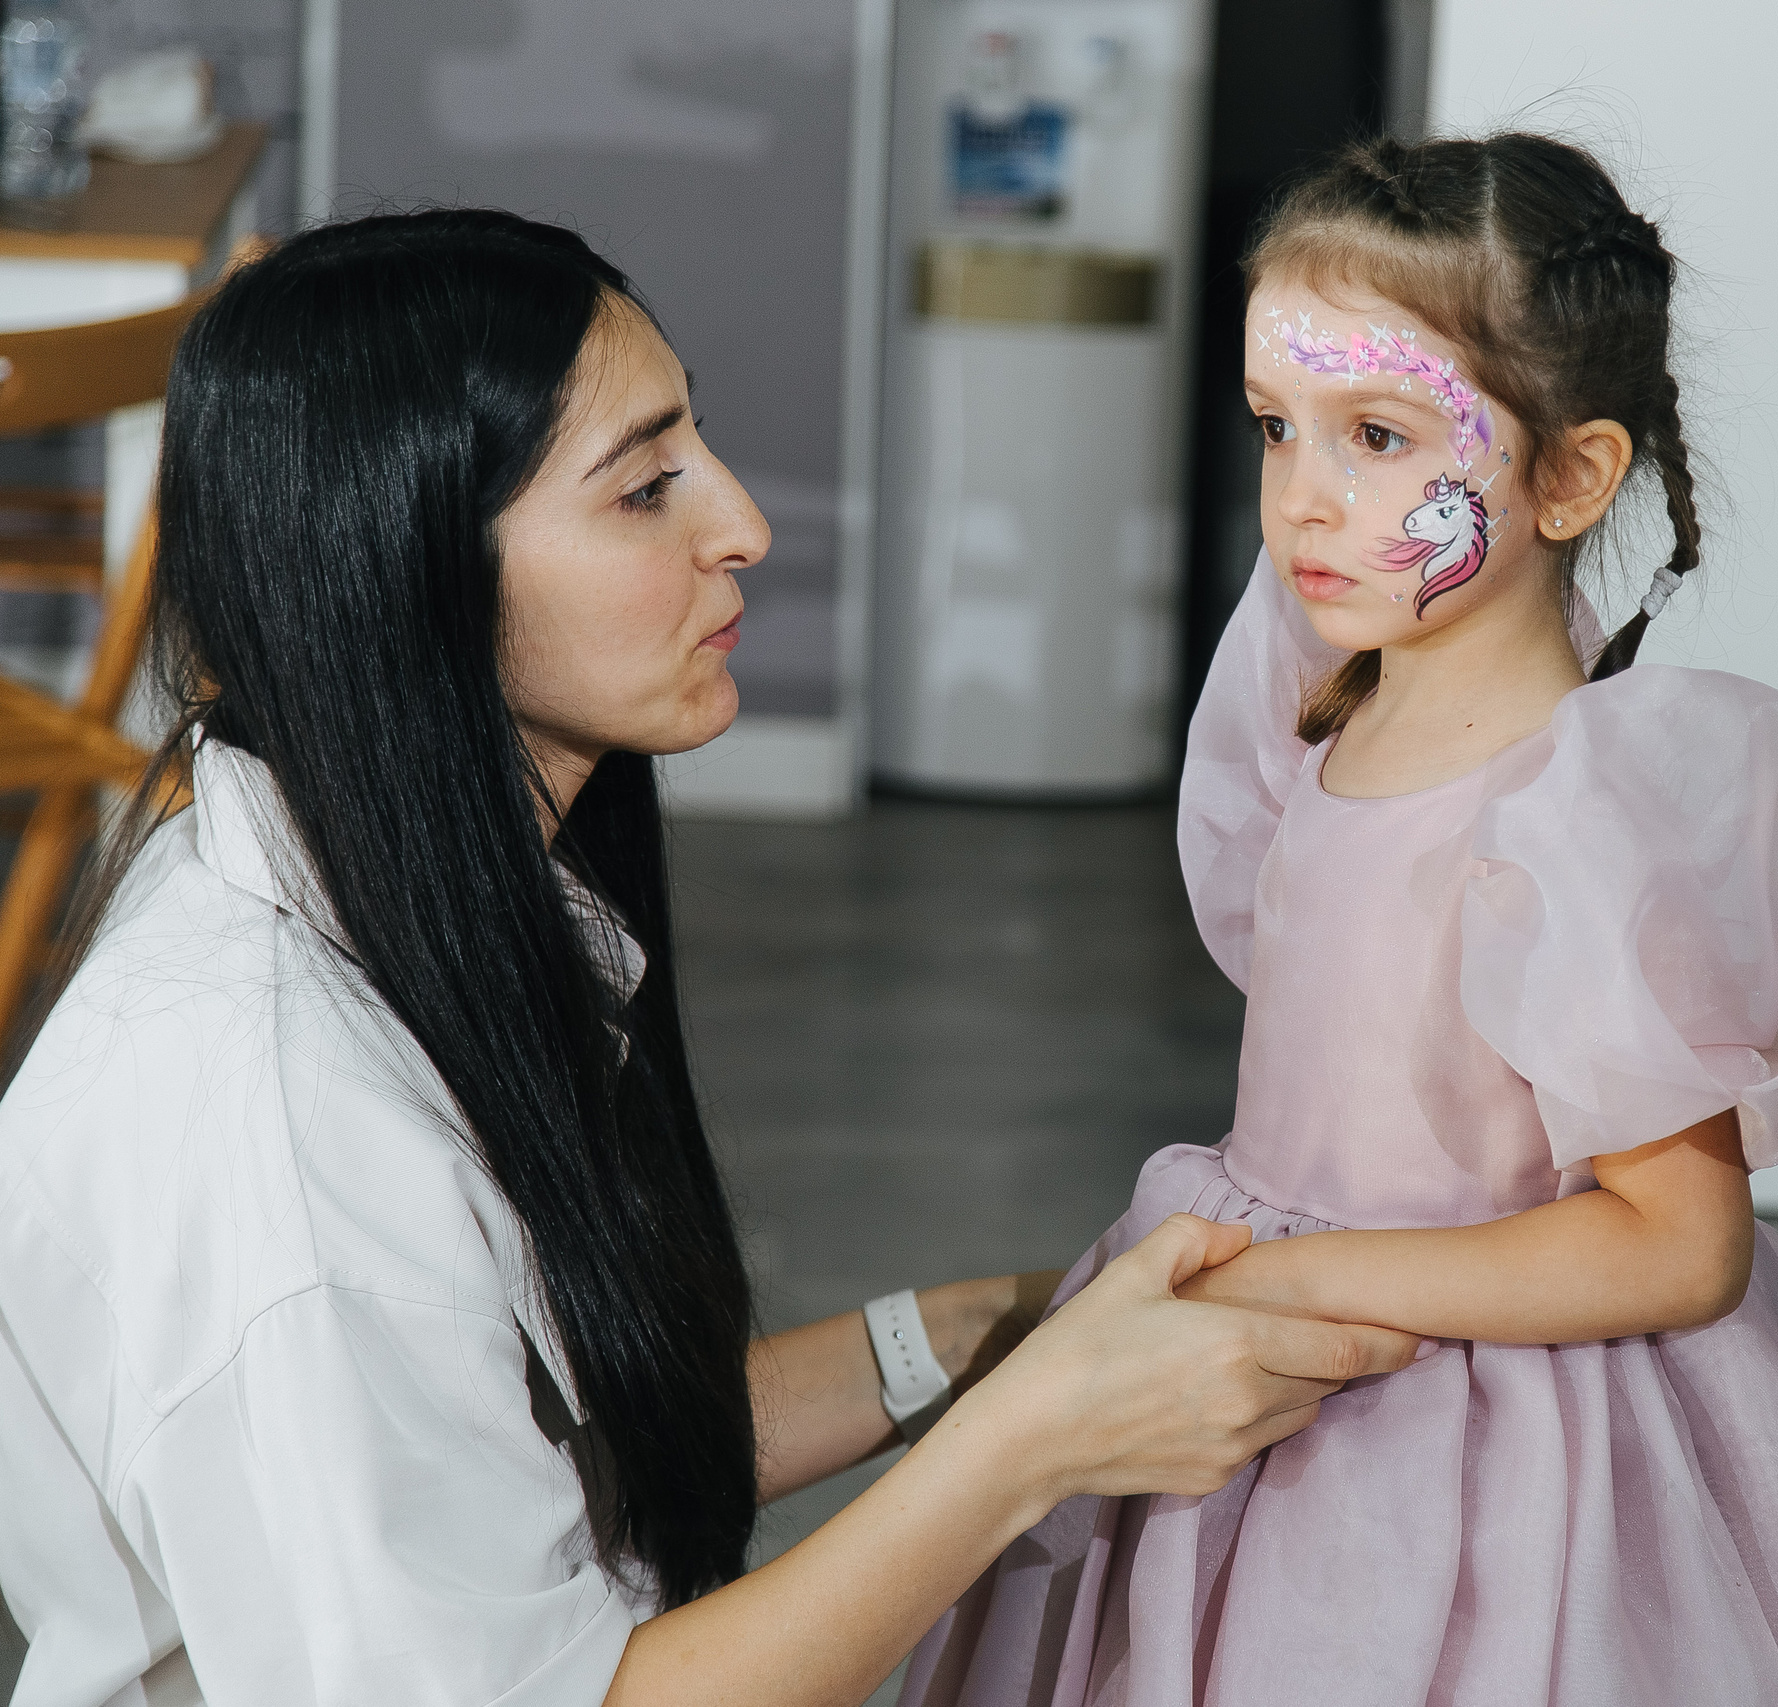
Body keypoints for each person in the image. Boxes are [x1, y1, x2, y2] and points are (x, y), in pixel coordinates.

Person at [0, 210, 1420, 1707]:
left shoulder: (368, 874)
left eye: (702, 448)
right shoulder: (287, 1142)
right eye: (644, 488)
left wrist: (977, 1336)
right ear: (410, 570)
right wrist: (1040, 1439)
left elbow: (550, 1442)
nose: (739, 521)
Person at [902, 135, 1778, 1706]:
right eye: (1280, 429)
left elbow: (1678, 1244)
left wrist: (1295, 1283)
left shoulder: (1585, 819)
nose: (1306, 499)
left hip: (1474, 1440)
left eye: (1382, 437)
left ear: (1570, 475)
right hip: (1266, 1350)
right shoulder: (1317, 715)